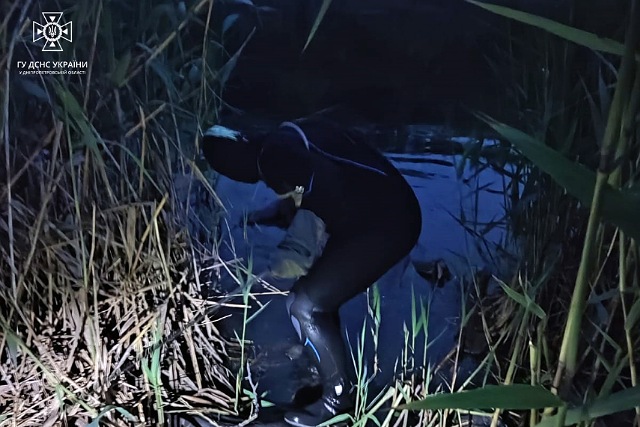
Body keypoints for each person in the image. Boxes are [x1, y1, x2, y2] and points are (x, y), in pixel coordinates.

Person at [202, 118, 422, 426]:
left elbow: (306, 178)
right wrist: (284, 211)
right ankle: (327, 376)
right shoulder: (286, 134)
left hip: (384, 226)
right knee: (321, 298)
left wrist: (289, 257)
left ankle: (336, 401)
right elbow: (324, 177)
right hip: (388, 210)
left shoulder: (275, 157)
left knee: (304, 305)